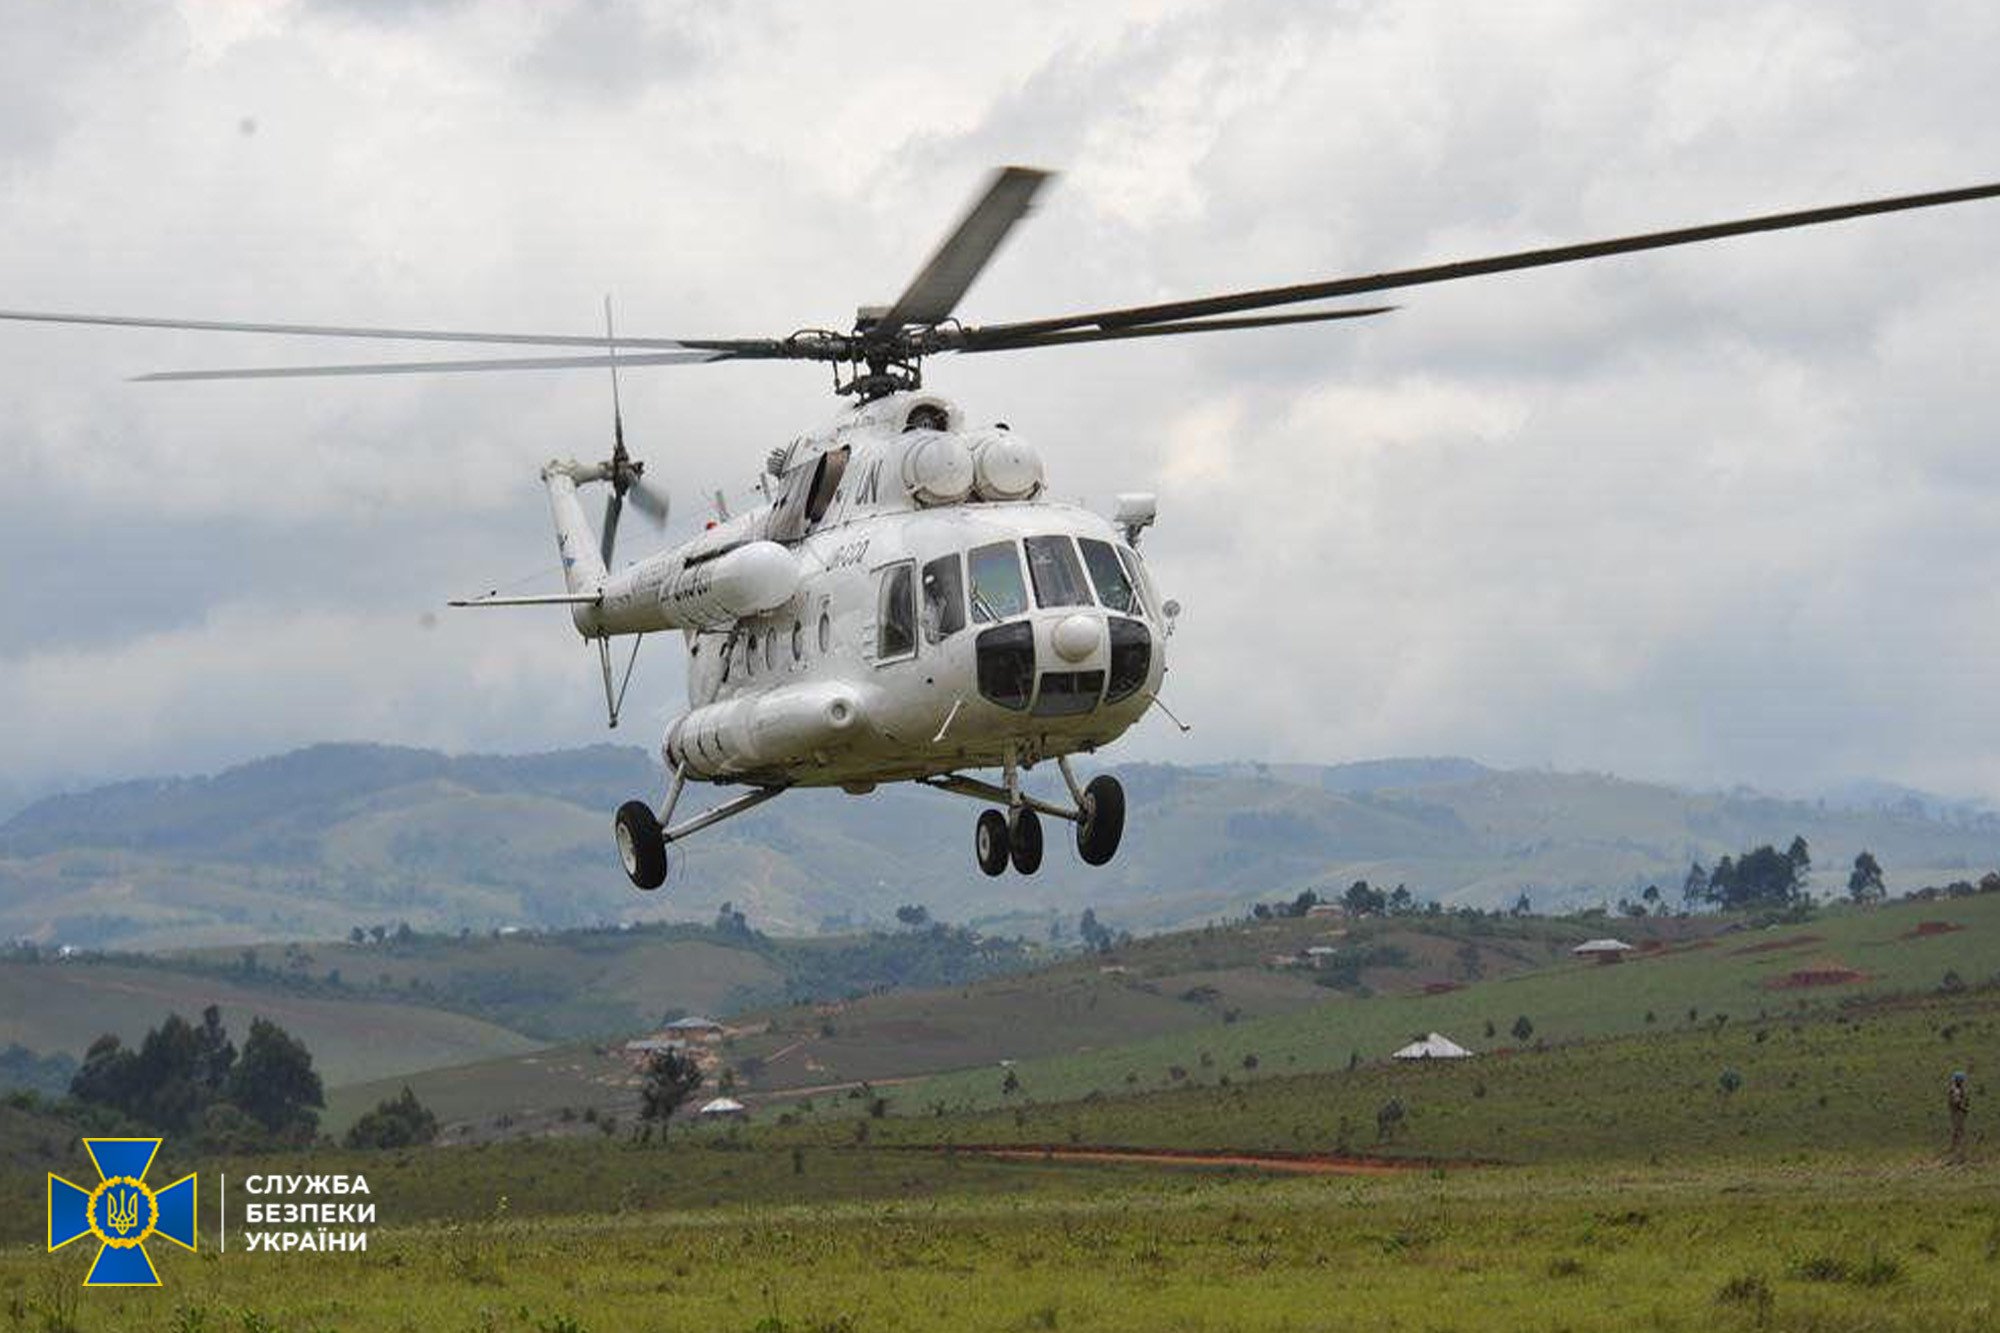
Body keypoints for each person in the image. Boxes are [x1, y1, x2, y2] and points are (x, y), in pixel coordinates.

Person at [1949, 1071, 1971, 1159]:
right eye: (1962, 1080)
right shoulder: (1956, 1090)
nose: (1963, 1082)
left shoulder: (1956, 1089)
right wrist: (1964, 1109)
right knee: (1959, 1132)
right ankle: (1958, 1153)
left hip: (1956, 1114)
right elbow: (1957, 1103)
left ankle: (1956, 1151)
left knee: (1957, 1132)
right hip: (1958, 1114)